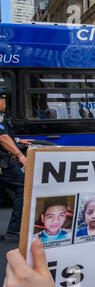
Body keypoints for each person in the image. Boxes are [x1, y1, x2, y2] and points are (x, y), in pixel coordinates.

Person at [0, 89, 33, 242]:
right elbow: (3, 138)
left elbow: (6, 134)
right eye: (3, 100)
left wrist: (19, 141)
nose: (4, 103)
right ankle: (15, 229)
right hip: (3, 164)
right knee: (24, 186)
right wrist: (20, 155)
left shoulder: (1, 118)